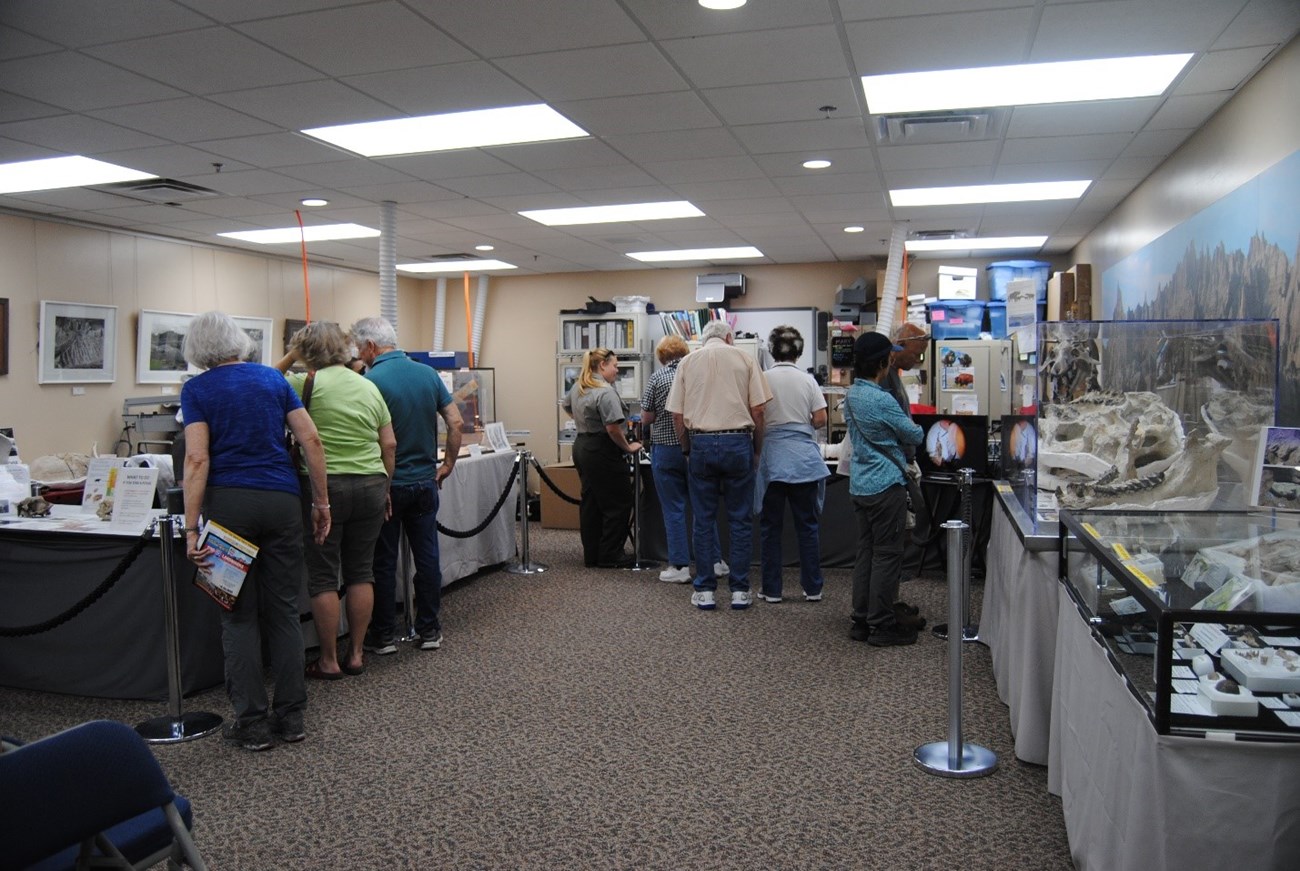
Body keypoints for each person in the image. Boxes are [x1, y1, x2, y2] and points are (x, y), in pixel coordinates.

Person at [180, 311, 330, 751]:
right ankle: (292, 716)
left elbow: (196, 460)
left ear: (197, 350)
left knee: (237, 615)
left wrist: (191, 528)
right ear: (238, 341)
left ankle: (252, 723)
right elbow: (311, 440)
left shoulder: (197, 389)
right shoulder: (271, 380)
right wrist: (321, 502)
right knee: (283, 609)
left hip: (228, 507)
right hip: (281, 501)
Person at [276, 322, 394, 680]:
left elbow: (265, 378)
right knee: (362, 570)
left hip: (324, 488)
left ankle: (328, 660)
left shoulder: (301, 383)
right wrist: (386, 487)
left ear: (306, 352)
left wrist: (292, 355)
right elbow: (388, 443)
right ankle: (356, 653)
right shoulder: (368, 386)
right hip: (372, 482)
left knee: (324, 574)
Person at [350, 316, 462, 654]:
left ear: (370, 346)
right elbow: (455, 423)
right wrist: (447, 465)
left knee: (383, 561)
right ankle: (429, 630)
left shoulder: (370, 381)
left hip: (388, 485)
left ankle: (383, 635)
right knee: (427, 556)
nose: (359, 355)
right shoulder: (427, 374)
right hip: (425, 483)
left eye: (359, 348)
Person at [666, 320, 772, 611]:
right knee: (740, 519)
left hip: (700, 443)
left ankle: (706, 590)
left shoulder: (687, 362)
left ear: (703, 339)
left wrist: (687, 449)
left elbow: (677, 415)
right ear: (729, 337)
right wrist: (757, 450)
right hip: (738, 442)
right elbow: (760, 410)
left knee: (703, 519)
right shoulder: (745, 359)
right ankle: (739, 590)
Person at [843, 331, 924, 646]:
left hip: (860, 484)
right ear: (882, 362)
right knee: (888, 555)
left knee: (866, 552)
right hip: (886, 484)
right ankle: (881, 623)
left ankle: (861, 619)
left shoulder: (852, 395)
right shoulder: (882, 399)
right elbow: (914, 435)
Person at [754, 326, 829, 604]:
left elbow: (756, 415)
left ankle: (772, 590)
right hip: (803, 460)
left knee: (770, 527)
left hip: (773, 459)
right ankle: (813, 588)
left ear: (771, 351)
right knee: (807, 526)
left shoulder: (762, 378)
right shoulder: (808, 380)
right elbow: (820, 419)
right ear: (799, 352)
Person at [564, 347, 643, 568]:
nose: (617, 370)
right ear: (602, 366)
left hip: (582, 445)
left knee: (592, 502)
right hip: (601, 448)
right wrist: (628, 447)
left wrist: (585, 421)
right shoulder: (605, 391)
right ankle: (611, 554)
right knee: (618, 502)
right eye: (615, 366)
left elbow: (566, 405)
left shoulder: (579, 387)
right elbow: (613, 429)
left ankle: (593, 554)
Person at [884, 322, 932, 629]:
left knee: (895, 543)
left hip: (898, 466)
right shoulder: (883, 384)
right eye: (918, 353)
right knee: (889, 546)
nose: (919, 360)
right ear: (901, 345)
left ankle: (887, 603)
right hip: (892, 471)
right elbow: (905, 430)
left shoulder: (893, 379)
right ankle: (885, 609)